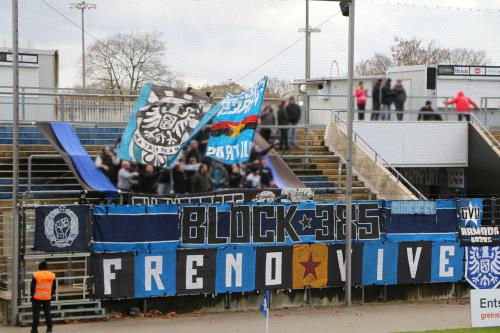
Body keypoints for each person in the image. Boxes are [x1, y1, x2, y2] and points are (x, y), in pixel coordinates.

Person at [31, 261, 56, 333]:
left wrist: (32, 296)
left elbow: (32, 287)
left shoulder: (36, 275)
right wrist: (50, 295)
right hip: (47, 297)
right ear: (47, 267)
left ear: (39, 267)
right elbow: (54, 287)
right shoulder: (52, 275)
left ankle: (34, 329)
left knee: (36, 313)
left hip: (37, 297)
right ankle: (49, 328)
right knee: (47, 313)